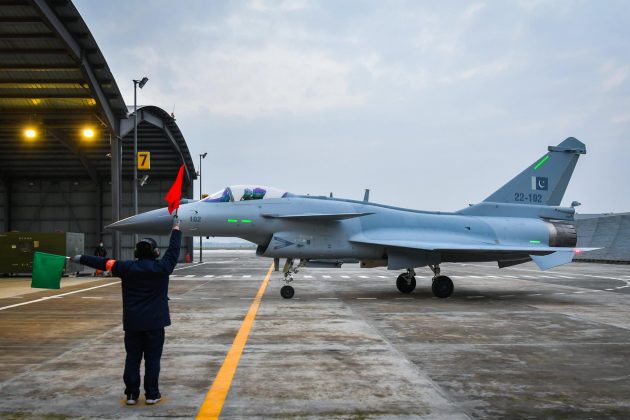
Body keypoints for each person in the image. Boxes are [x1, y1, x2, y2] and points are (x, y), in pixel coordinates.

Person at [72, 217, 181, 405]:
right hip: (155, 324)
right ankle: (152, 395)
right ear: (155, 253)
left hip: (133, 323)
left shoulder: (125, 267)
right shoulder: (162, 268)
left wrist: (80, 258)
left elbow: (102, 262)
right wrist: (176, 230)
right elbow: (173, 251)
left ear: (136, 252)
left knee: (132, 358)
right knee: (152, 360)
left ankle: (131, 394)